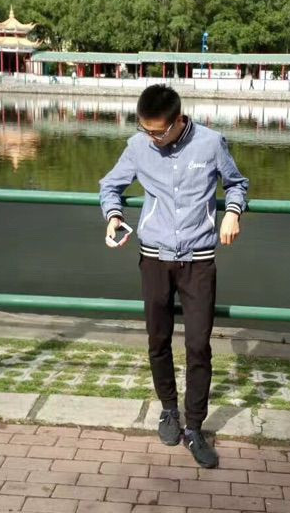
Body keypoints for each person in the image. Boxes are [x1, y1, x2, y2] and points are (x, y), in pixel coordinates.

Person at [99, 84, 249, 468]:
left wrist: (233, 212)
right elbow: (110, 185)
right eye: (145, 130)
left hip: (199, 261)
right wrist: (113, 216)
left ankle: (195, 427)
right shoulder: (138, 147)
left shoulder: (211, 143)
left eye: (158, 132)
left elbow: (237, 183)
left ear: (178, 120)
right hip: (154, 259)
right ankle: (169, 409)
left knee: (198, 345)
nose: (152, 138)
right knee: (158, 339)